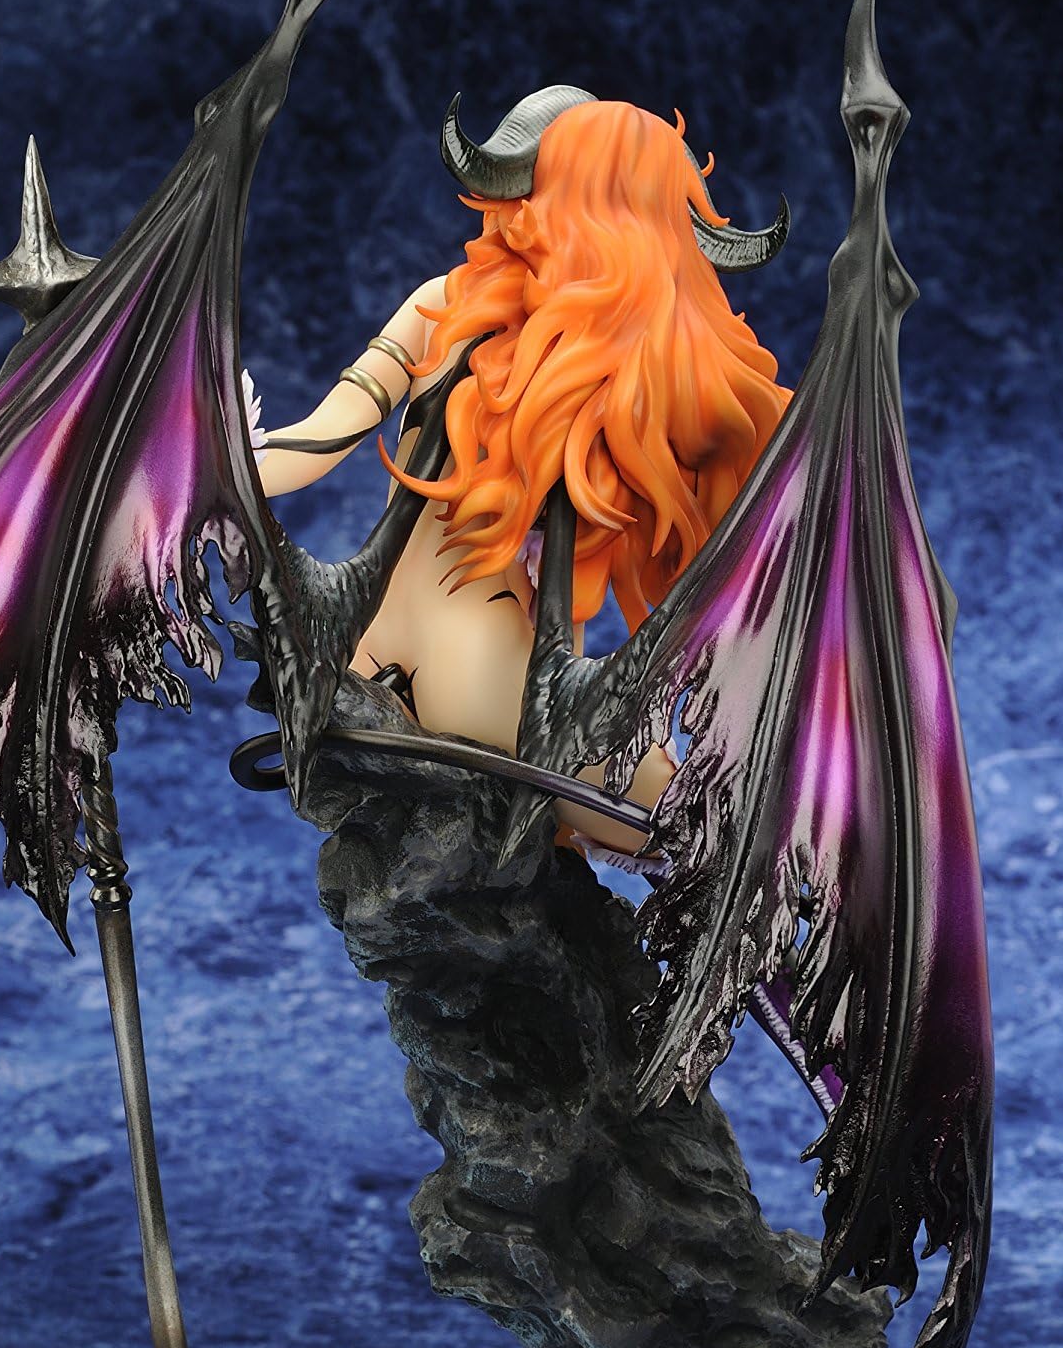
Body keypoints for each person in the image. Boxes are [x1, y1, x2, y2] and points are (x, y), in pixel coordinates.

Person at [256, 89, 791, 851]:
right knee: (713, 837)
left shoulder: (442, 302)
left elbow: (316, 442)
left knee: (551, 860)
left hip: (366, 648)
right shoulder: (634, 356)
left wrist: (197, 467)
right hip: (486, 675)